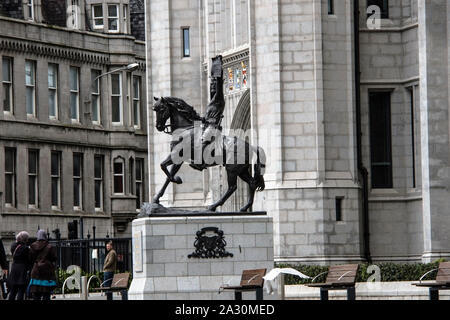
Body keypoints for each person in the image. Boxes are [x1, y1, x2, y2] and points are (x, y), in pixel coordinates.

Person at [28, 230, 57, 300]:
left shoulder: (32, 246)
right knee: (46, 293)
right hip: (47, 271)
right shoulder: (49, 247)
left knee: (36, 293)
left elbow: (30, 259)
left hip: (36, 271)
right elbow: (54, 258)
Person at [7, 231, 31, 300]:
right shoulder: (25, 248)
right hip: (22, 270)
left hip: (14, 268)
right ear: (25, 239)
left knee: (13, 290)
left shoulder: (13, 245)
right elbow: (28, 259)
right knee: (21, 290)